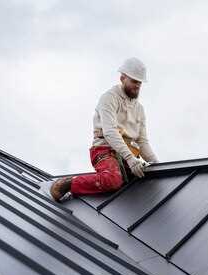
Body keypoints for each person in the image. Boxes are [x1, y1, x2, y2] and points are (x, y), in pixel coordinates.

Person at [48, 57, 159, 202]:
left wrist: (158, 167)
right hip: (104, 149)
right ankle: (68, 184)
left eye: (139, 82)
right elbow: (110, 132)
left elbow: (142, 141)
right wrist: (130, 159)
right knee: (112, 180)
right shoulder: (109, 98)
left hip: (128, 154)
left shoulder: (139, 109)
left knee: (145, 176)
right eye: (134, 81)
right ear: (122, 78)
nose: (137, 85)